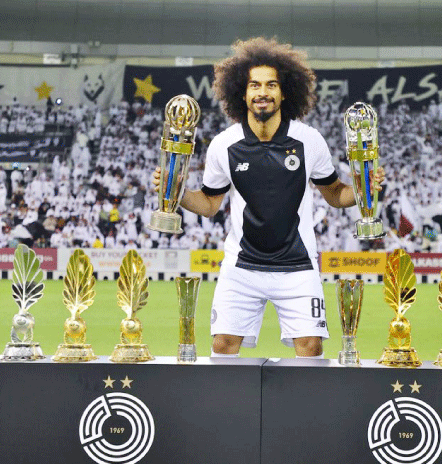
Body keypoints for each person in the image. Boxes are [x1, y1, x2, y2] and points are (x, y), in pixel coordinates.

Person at [152, 37, 384, 358]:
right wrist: (175, 190)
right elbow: (208, 204)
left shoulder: (308, 140)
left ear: (284, 92)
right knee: (222, 345)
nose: (263, 92)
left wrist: (362, 188)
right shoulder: (224, 144)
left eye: (271, 85)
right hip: (242, 265)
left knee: (311, 347)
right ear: (242, 93)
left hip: (297, 265)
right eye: (255, 85)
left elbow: (334, 193)